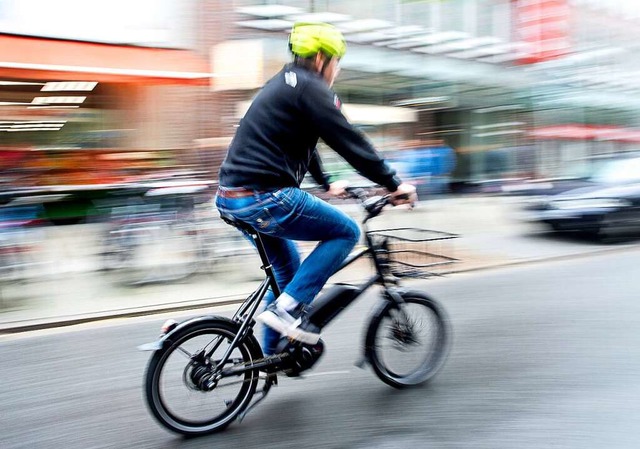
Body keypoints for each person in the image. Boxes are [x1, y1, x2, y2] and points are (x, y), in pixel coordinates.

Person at [215, 22, 417, 355]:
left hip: (231, 198)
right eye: (337, 61)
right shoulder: (311, 87)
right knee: (345, 232)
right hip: (266, 196)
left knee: (287, 270)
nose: (337, 70)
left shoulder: (283, 83)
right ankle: (286, 311)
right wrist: (393, 184)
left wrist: (326, 183)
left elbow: (301, 142)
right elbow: (349, 141)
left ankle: (272, 357)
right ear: (322, 57)